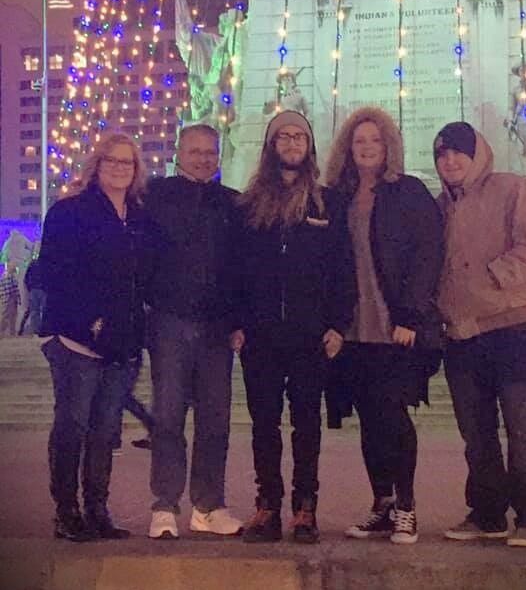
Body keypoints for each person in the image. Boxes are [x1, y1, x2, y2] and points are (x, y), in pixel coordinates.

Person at [433, 121, 526, 548]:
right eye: (442, 154)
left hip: (513, 328)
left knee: (524, 430)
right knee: (477, 435)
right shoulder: (439, 205)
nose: (450, 160)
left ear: (477, 153)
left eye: (458, 151)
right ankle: (487, 514)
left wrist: (494, 277)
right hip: (462, 335)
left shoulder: (511, 189)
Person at [233, 111, 354, 544]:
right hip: (261, 335)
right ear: (270, 147)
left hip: (310, 334)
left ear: (309, 145)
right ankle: (267, 506)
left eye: (298, 135)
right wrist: (236, 323)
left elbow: (344, 269)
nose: (290, 142)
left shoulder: (327, 203)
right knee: (263, 424)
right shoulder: (247, 206)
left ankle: (306, 508)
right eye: (282, 136)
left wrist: (339, 324)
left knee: (307, 424)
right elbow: (235, 270)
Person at [325, 107, 444, 544]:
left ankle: (407, 506)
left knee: (393, 416)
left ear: (388, 145)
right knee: (370, 420)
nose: (367, 148)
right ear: (348, 148)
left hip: (396, 327)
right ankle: (382, 505)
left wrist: (411, 314)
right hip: (353, 329)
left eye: (375, 140)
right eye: (360, 141)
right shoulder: (337, 196)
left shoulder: (408, 191)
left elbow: (429, 253)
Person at [38, 131, 155, 542]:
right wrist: (89, 322)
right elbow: (52, 271)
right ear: (97, 164)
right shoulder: (70, 211)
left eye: (128, 162)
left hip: (122, 344)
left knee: (105, 431)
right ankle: (66, 511)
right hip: (76, 340)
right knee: (72, 425)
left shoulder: (140, 217)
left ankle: (97, 509)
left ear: (137, 170)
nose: (120, 168)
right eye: (112, 161)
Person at [145, 124, 242, 540]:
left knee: (215, 419)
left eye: (210, 152)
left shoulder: (233, 203)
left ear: (218, 156)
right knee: (167, 416)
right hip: (169, 319)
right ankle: (165, 505)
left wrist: (239, 321)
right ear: (178, 153)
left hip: (217, 327)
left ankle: (208, 504)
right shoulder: (155, 196)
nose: (203, 158)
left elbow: (242, 270)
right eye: (195, 151)